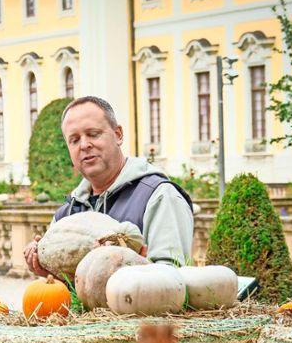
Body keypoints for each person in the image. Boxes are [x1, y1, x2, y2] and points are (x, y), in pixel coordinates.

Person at [24, 96, 194, 277]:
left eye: (93, 134)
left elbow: (172, 281)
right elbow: (68, 295)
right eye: (74, 140)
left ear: (118, 135)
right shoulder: (66, 213)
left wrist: (119, 262)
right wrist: (50, 272)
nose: (84, 145)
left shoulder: (160, 196)